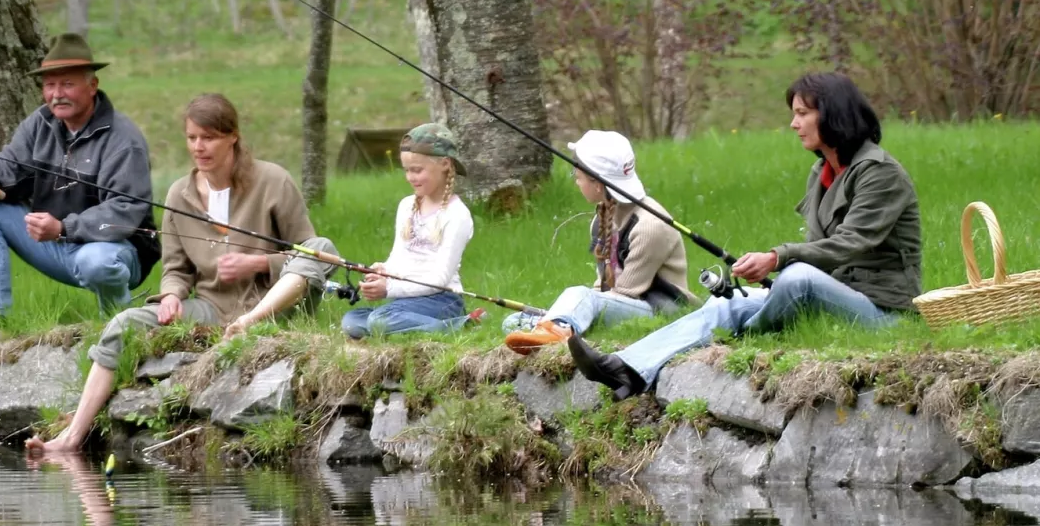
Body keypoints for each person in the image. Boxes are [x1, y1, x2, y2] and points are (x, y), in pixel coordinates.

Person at [567, 73, 922, 400]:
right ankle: (625, 368)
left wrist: (776, 258)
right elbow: (820, 250)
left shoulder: (880, 173)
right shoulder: (822, 170)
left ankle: (745, 335)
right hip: (837, 298)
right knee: (725, 302)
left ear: (833, 115)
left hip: (881, 312)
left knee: (796, 278)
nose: (793, 123)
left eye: (802, 113)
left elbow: (851, 242)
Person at [27, 93, 339, 456]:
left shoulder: (273, 181)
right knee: (124, 322)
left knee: (326, 245)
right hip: (211, 308)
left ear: (232, 136)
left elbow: (308, 252)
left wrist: (256, 264)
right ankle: (71, 438)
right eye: (192, 138)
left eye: (209, 138)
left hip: (274, 309)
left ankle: (248, 324)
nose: (199, 147)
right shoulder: (179, 193)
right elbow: (175, 268)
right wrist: (172, 295)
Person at [0, 33, 159, 337]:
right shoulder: (40, 123)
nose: (57, 94)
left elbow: (125, 211)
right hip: (55, 243)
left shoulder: (123, 140)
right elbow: (9, 167)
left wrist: (64, 228)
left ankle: (121, 326)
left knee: (97, 261)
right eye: (50, 85)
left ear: (92, 86)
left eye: (67, 84)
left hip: (113, 252)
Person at [503, 130, 694, 354]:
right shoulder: (601, 219)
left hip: (659, 310)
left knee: (581, 295)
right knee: (513, 321)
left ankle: (560, 330)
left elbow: (625, 292)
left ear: (597, 184)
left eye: (578, 175)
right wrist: (577, 310)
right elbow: (603, 285)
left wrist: (585, 306)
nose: (575, 180)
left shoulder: (650, 226)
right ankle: (560, 326)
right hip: (621, 302)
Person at [340, 123, 480, 339]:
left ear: (444, 164)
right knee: (351, 321)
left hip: (442, 299)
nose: (410, 177)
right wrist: (383, 270)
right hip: (406, 301)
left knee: (378, 321)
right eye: (407, 170)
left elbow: (440, 278)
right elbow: (399, 257)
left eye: (417, 170)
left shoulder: (457, 215)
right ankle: (418, 327)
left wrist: (389, 289)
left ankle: (459, 324)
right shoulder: (406, 206)